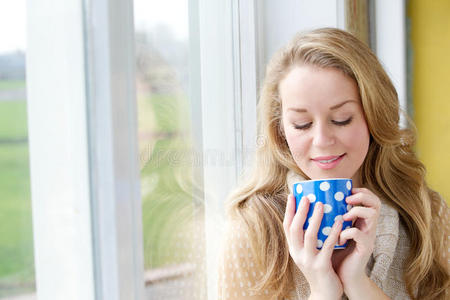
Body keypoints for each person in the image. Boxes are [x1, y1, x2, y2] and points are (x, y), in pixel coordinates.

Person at [218, 28, 449, 300]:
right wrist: (322, 292)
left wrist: (358, 283)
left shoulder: (425, 214)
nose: (322, 141)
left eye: (341, 119)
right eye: (301, 124)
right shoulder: (252, 229)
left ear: (374, 116)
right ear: (280, 129)